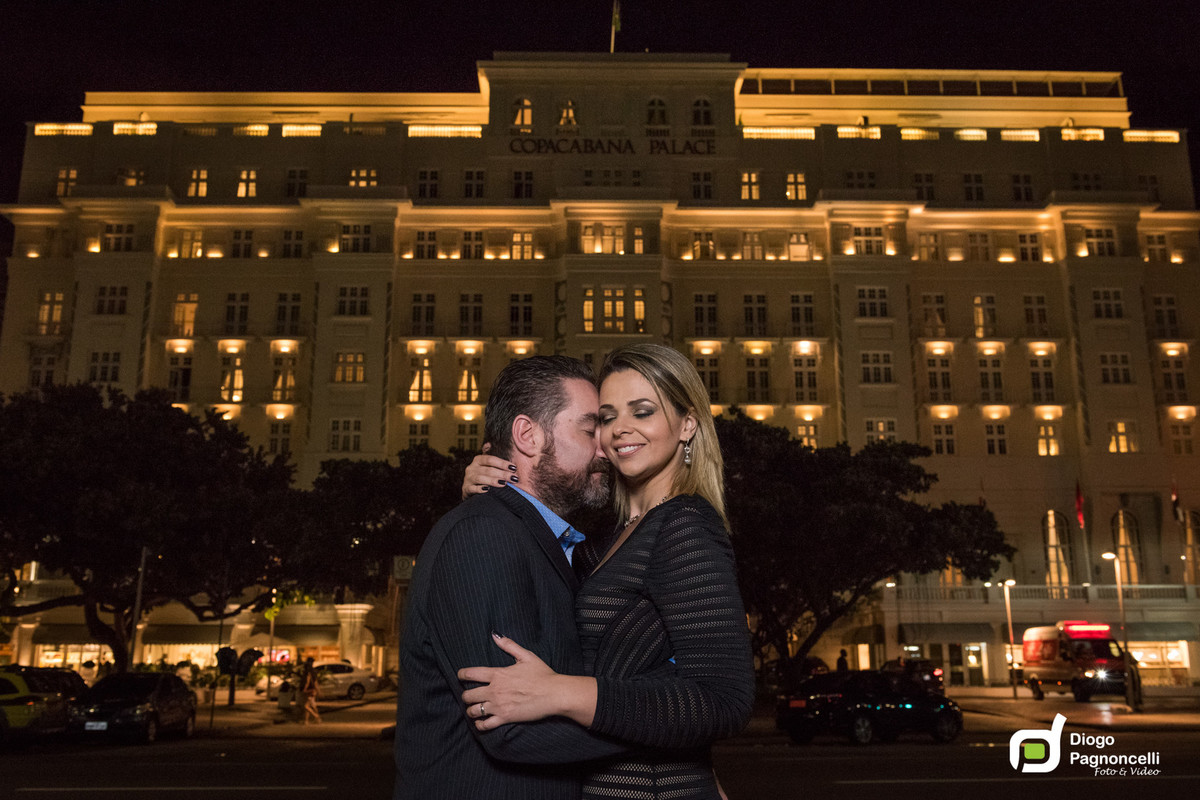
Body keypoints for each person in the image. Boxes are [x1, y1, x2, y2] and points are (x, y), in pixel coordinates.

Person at [458, 343, 754, 800]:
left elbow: (724, 701)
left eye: (643, 411)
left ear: (687, 424)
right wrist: (495, 490)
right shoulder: (610, 536)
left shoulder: (684, 525)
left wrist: (560, 693)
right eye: (608, 416)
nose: (620, 430)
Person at [394, 356, 627, 800]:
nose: (605, 447)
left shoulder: (553, 541)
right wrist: (673, 722)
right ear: (527, 435)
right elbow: (511, 729)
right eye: (589, 429)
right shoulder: (484, 534)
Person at [300, 657, 321, 724]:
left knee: (306, 706)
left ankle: (316, 716)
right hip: (313, 690)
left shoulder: (308, 672)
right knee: (312, 705)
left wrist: (305, 689)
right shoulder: (313, 671)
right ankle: (307, 720)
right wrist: (317, 690)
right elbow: (315, 682)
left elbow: (307, 682)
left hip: (309, 690)